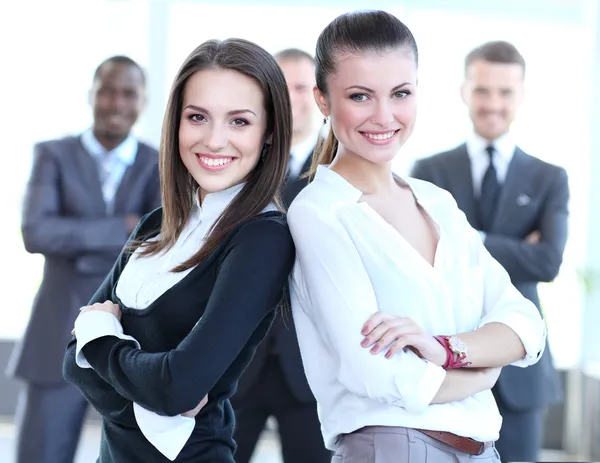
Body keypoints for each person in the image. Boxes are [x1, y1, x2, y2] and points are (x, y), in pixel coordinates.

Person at [287, 10, 547, 463]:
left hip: (482, 450)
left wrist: (443, 349)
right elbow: (373, 372)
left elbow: (527, 325)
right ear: (323, 101)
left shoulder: (437, 202)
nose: (384, 115)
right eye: (360, 96)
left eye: (400, 93)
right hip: (393, 446)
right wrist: (482, 371)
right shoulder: (319, 212)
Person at [62, 38, 295, 463]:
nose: (214, 139)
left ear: (269, 134)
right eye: (198, 117)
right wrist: (155, 401)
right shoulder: (158, 223)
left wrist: (99, 342)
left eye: (239, 121)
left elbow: (177, 387)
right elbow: (70, 365)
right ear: (176, 123)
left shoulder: (263, 238)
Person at [410, 40, 567, 462]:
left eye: (505, 92)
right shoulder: (429, 172)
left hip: (521, 375)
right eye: (482, 90)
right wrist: (517, 248)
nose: (493, 103)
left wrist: (468, 238)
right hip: (447, 367)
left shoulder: (550, 178)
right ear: (464, 91)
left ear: (521, 96)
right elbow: (422, 258)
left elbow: (548, 261)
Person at [6, 55, 160, 463]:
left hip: (134, 335)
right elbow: (37, 233)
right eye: (106, 91)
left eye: (128, 93)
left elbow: (161, 240)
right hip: (56, 329)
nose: (116, 103)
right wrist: (123, 227)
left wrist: (77, 234)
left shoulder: (157, 163)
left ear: (143, 100)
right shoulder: (52, 154)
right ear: (91, 94)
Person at [232, 48, 330, 463]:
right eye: (287, 87)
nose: (297, 98)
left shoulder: (342, 168)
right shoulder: (237, 164)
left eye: (306, 87)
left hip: (310, 366)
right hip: (239, 362)